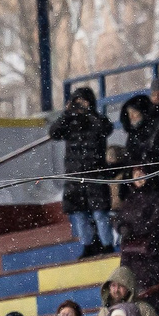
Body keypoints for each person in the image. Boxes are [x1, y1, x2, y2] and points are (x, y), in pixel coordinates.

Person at [51, 85, 117, 257]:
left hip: (95, 174)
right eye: (76, 102)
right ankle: (87, 245)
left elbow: (106, 128)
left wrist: (89, 112)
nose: (79, 106)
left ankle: (107, 244)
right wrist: (66, 113)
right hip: (75, 176)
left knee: (99, 213)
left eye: (82, 102)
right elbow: (54, 133)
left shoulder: (97, 120)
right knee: (79, 214)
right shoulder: (70, 123)